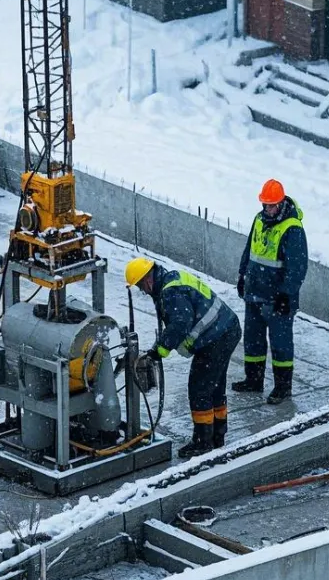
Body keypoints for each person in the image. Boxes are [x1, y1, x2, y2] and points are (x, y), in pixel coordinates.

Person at [125, 258, 242, 457]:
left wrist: (159, 351)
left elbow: (180, 325)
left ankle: (203, 442)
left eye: (140, 286)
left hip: (215, 338)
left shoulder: (170, 292)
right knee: (215, 386)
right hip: (227, 329)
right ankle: (217, 435)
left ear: (148, 280)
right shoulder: (172, 279)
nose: (142, 291)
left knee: (200, 389)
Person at [232, 179, 308, 404]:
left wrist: (287, 293)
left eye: (272, 205)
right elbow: (250, 250)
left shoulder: (292, 228)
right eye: (265, 205)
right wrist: (242, 275)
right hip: (255, 293)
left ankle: (283, 387)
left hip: (277, 299)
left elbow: (297, 267)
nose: (268, 209)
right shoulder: (259, 219)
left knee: (280, 343)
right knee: (253, 340)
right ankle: (253, 380)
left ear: (281, 202)